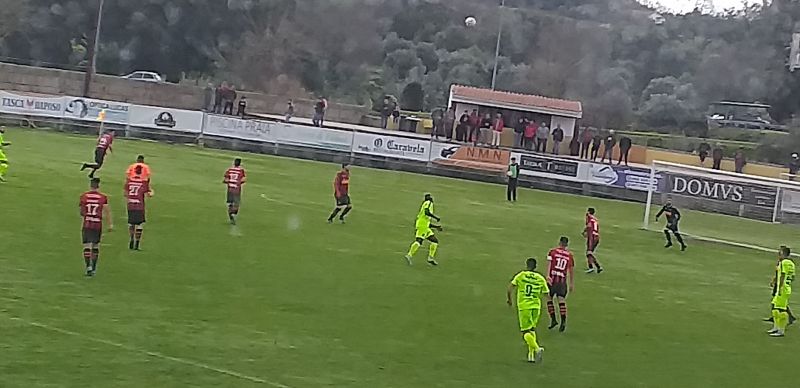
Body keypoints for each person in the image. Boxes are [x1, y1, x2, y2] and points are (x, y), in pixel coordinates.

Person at [506, 257, 549, 363]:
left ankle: (537, 348)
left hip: (524, 306)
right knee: (532, 329)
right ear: (535, 266)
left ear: (527, 265)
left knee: (525, 332)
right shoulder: (540, 278)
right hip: (536, 306)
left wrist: (509, 300)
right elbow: (547, 294)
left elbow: (510, 288)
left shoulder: (521, 275)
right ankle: (531, 356)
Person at [79, 178, 112, 276]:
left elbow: (81, 212)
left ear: (90, 185)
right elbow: (107, 211)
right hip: (97, 224)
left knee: (87, 245)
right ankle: (93, 267)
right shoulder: (103, 197)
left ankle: (88, 266)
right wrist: (110, 223)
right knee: (95, 245)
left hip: (87, 223)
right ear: (98, 186)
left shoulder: (84, 196)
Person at [546, 236, 575, 332]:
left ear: (559, 243)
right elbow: (571, 270)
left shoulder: (553, 252)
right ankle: (563, 321)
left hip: (553, 279)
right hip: (562, 281)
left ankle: (553, 319)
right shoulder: (569, 255)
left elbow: (549, 264)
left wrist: (547, 276)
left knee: (549, 298)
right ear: (566, 244)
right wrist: (571, 283)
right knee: (561, 300)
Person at [404, 193, 442, 266]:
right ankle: (409, 255)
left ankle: (430, 258)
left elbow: (426, 220)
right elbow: (427, 212)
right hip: (422, 226)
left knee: (434, 241)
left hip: (424, 225)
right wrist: (436, 218)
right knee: (419, 241)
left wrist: (436, 227)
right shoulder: (428, 203)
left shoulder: (425, 204)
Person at [764, 246, 797, 327]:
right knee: (776, 301)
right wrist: (774, 281)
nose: (778, 254)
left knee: (779, 303)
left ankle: (785, 320)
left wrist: (780, 286)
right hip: (781, 285)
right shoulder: (785, 262)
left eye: (780, 252)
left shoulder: (785, 262)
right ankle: (775, 317)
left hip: (781, 286)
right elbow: (779, 273)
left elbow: (782, 274)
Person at [124, 166, 152, 250]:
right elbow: (149, 194)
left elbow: (125, 194)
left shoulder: (129, 181)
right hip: (139, 205)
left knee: (131, 223)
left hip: (130, 204)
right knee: (139, 224)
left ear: (135, 171)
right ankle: (137, 242)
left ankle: (131, 238)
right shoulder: (143, 182)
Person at [223, 158, 247, 225]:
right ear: (240, 163)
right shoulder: (241, 170)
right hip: (236, 189)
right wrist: (238, 182)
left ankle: (231, 216)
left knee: (230, 204)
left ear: (234, 163)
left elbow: (225, 179)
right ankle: (233, 213)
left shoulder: (229, 170)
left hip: (230, 189)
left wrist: (228, 181)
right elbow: (243, 179)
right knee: (236, 204)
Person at [583, 207, 603, 273]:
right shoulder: (595, 219)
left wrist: (584, 231)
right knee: (589, 253)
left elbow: (588, 225)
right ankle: (593, 267)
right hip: (596, 236)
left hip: (592, 237)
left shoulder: (588, 216)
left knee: (589, 252)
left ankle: (597, 266)